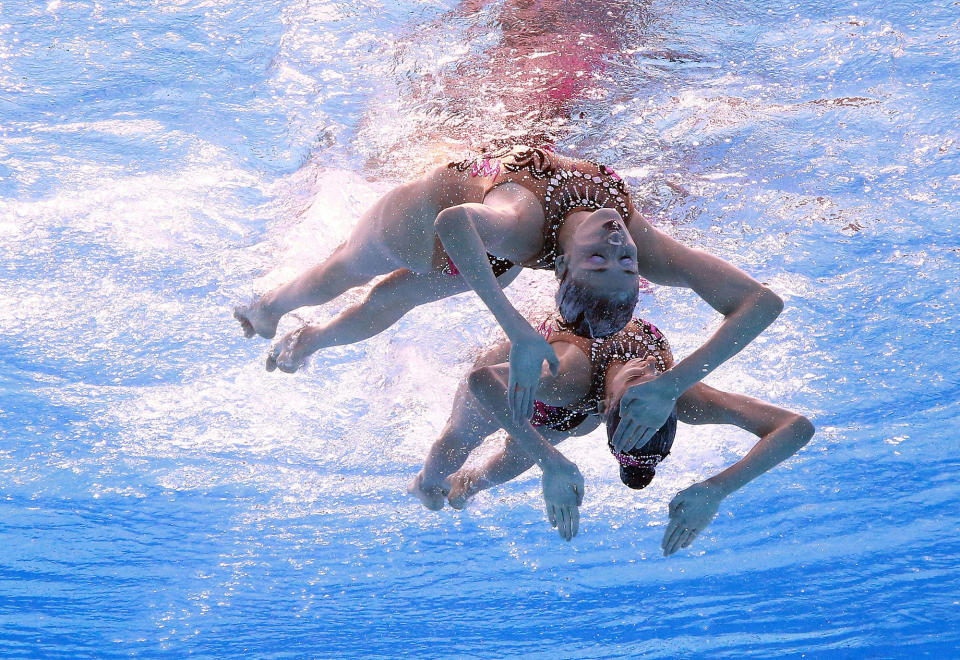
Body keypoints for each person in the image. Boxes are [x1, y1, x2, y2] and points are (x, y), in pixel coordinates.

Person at [234, 145, 783, 434]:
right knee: (392, 301)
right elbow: (762, 302)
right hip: (486, 260)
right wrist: (672, 384)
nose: (618, 242)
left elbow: (454, 223)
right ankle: (313, 341)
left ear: (565, 268)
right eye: (625, 261)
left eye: (601, 260)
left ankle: (269, 312)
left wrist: (519, 331)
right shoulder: (630, 234)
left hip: (418, 230)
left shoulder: (522, 220)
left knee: (343, 273)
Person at [410, 313, 814, 553]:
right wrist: (716, 490)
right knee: (459, 441)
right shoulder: (674, 391)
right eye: (653, 396)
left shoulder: (571, 378)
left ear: (608, 409)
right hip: (530, 392)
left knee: (498, 449)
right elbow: (796, 426)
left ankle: (455, 485)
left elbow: (484, 382)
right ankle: (431, 485)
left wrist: (717, 489)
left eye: (633, 400)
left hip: (556, 403)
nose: (648, 379)